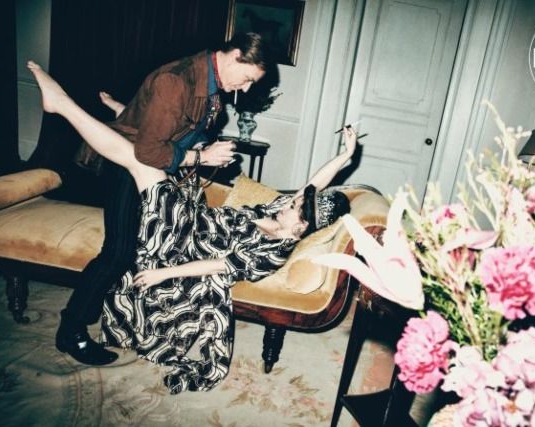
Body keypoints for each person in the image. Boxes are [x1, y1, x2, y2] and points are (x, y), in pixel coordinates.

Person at [28, 60, 357, 393]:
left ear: (300, 228)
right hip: (191, 218)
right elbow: (313, 185)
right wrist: (345, 155)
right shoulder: (280, 213)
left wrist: (162, 274)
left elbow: (216, 265)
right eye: (295, 201)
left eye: (296, 208)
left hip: (178, 244)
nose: (289, 202)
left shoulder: (272, 252)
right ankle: (125, 115)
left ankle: (64, 105)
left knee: (140, 162)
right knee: (160, 155)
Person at [54, 33, 271, 367]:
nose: (244, 89)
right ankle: (71, 329)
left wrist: (204, 148)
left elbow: (179, 129)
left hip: (150, 168)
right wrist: (202, 157)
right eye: (247, 79)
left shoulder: (210, 83)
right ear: (235, 55)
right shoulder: (177, 80)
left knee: (140, 250)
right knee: (118, 253)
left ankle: (123, 320)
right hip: (128, 168)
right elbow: (149, 151)